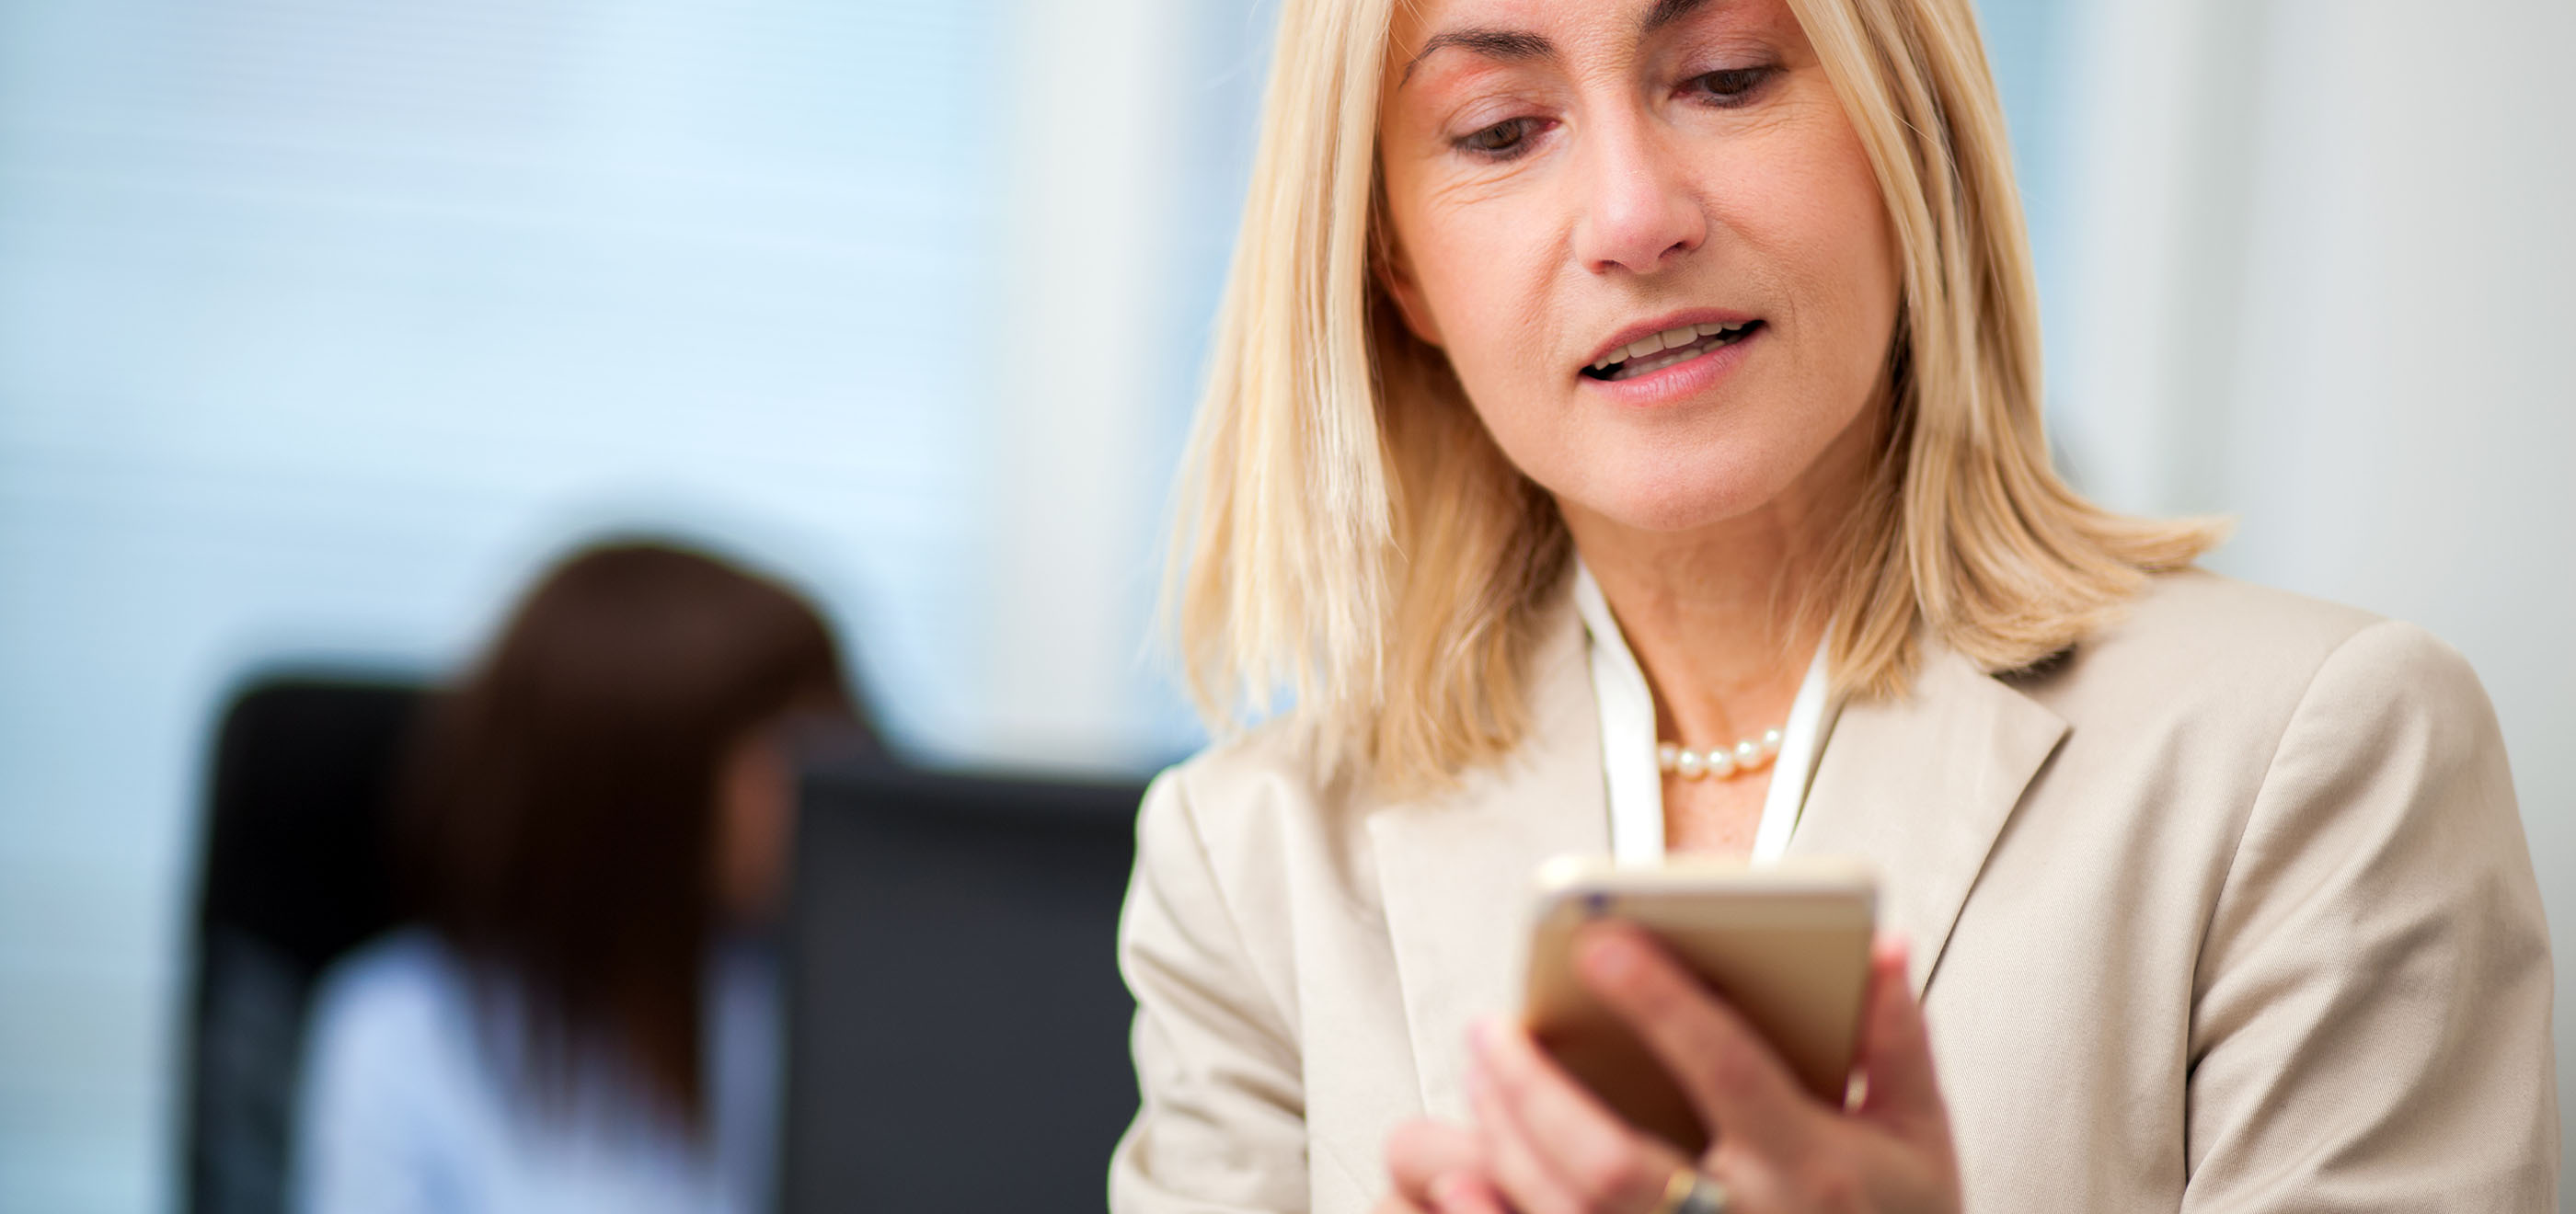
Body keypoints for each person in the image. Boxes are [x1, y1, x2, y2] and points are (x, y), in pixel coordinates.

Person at [1110, 0, 2558, 1209]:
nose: (1632, 218)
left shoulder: (2318, 755)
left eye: (1729, 76)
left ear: (1904, 132)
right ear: (1398, 271)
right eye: (1498, 131)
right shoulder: (1249, 862)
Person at [290, 541, 866, 1214]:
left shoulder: (810, 1011)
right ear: (636, 785)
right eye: (786, 745)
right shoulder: (406, 1038)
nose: (837, 779)